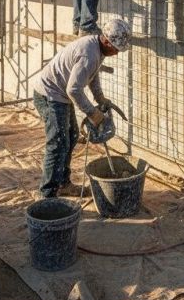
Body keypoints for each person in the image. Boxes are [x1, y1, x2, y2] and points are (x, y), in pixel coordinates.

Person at [33, 18, 131, 198]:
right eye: (115, 48)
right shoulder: (89, 53)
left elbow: (92, 76)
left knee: (70, 136)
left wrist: (100, 98)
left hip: (60, 94)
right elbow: (74, 90)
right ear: (106, 40)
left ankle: (63, 183)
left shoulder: (97, 48)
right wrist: (93, 113)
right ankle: (47, 195)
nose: (117, 53)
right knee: (58, 142)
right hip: (49, 94)